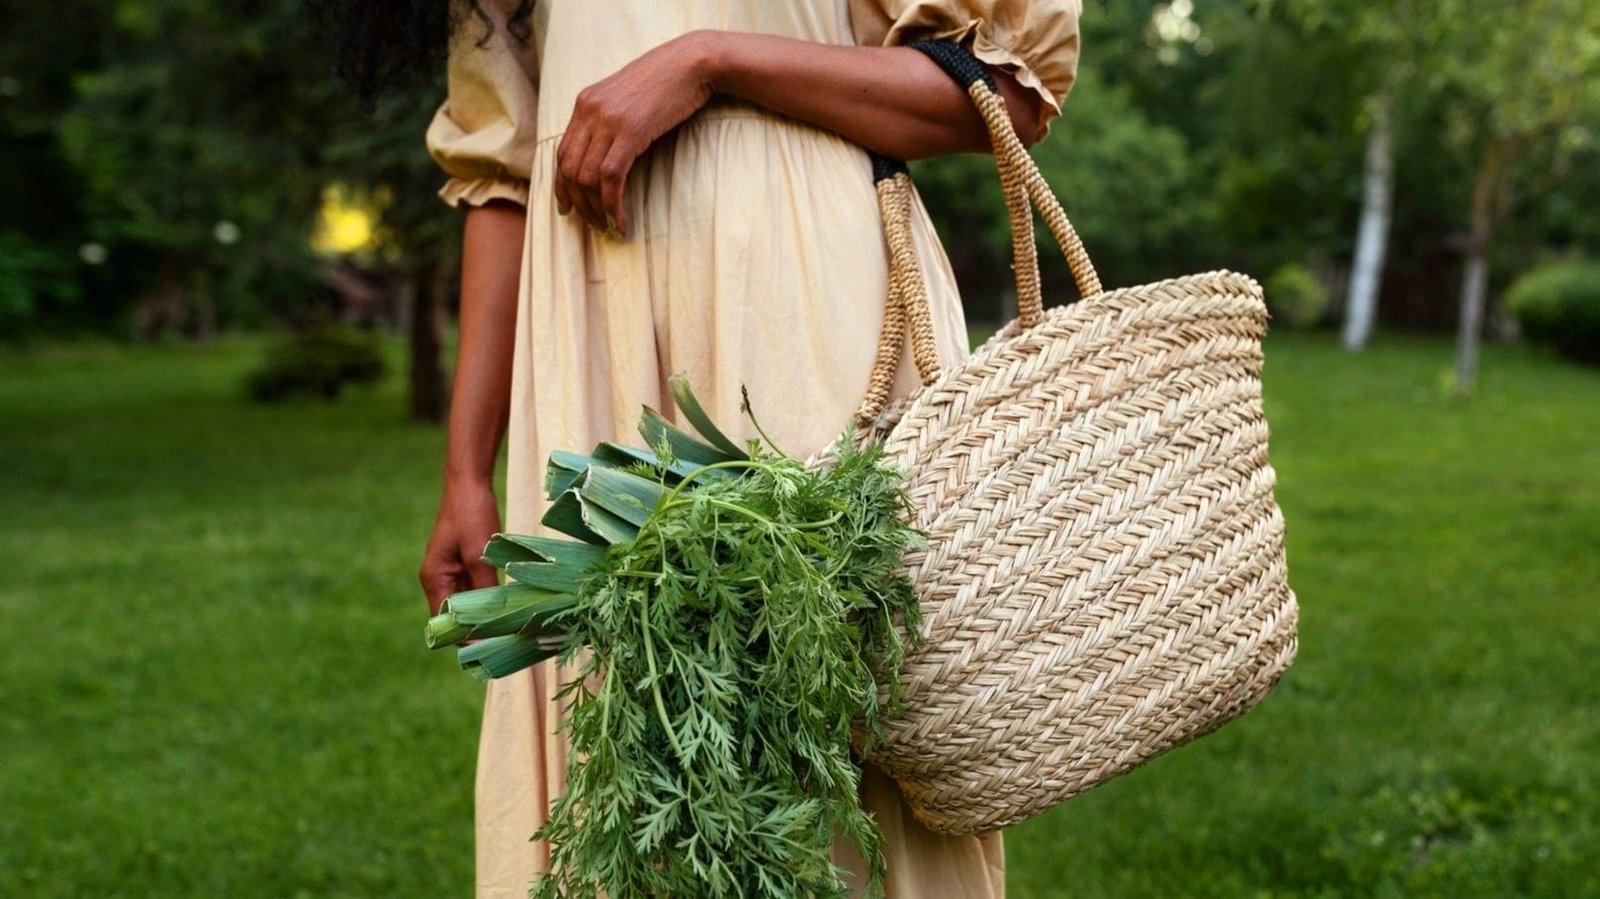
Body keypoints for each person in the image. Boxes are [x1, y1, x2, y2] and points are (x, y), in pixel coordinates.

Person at [415, 1, 1083, 895]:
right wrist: (466, 468)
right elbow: (500, 179)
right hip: (589, 326)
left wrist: (709, 63)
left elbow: (1003, 92)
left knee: (828, 726)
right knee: (620, 736)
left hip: (794, 294)